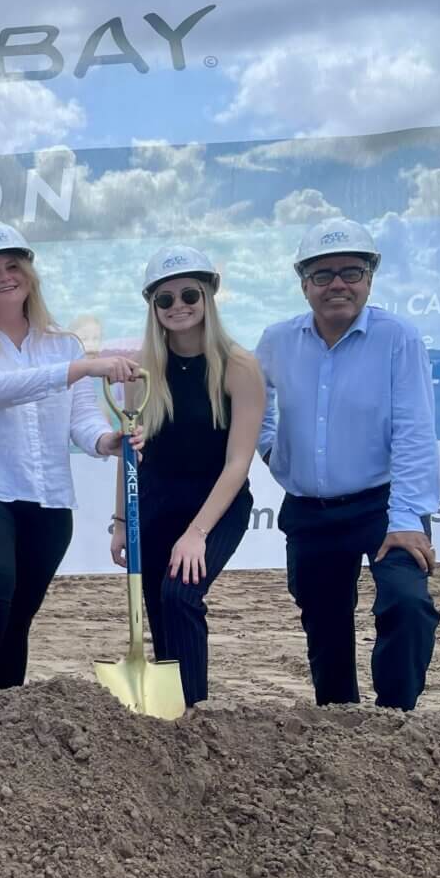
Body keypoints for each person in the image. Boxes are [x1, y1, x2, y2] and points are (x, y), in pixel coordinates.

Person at [0, 222, 135, 710]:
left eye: (13, 266)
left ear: (30, 275)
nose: (3, 277)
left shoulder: (64, 345)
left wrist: (108, 441)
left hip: (46, 497)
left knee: (17, 614)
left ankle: (3, 720)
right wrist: (78, 368)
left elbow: (83, 420)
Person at [257, 217, 440, 710]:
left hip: (384, 506)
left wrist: (406, 520)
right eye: (322, 274)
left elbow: (415, 431)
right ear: (304, 284)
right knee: (324, 620)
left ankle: (395, 722)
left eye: (351, 272)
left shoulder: (398, 337)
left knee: (407, 604)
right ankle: (339, 728)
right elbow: (254, 403)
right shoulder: (277, 341)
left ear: (370, 278)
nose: (338, 284)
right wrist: (274, 450)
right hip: (311, 512)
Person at [109, 246, 263, 707]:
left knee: (180, 595)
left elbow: (238, 462)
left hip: (215, 504)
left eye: (189, 294)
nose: (179, 306)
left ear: (209, 296)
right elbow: (131, 453)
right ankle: (169, 714)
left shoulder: (239, 367)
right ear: (152, 306)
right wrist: (120, 522)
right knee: (157, 607)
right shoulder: (141, 372)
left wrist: (197, 533)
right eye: (165, 299)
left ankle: (195, 713)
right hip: (156, 502)